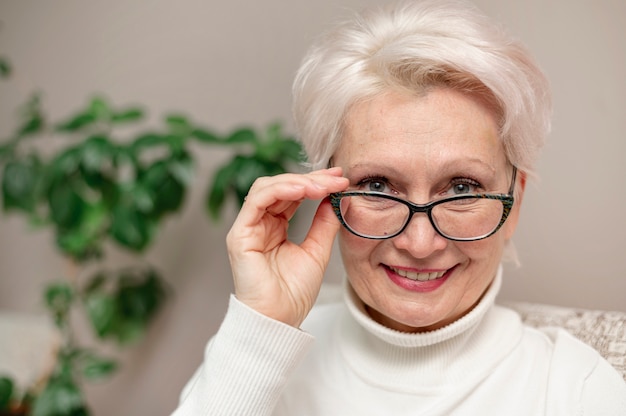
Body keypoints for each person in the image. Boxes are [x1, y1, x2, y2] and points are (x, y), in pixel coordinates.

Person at [172, 1, 626, 414]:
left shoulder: (574, 388)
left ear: (516, 201)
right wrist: (260, 331)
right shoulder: (253, 357)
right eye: (377, 185)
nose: (420, 243)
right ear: (326, 193)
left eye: (463, 188)